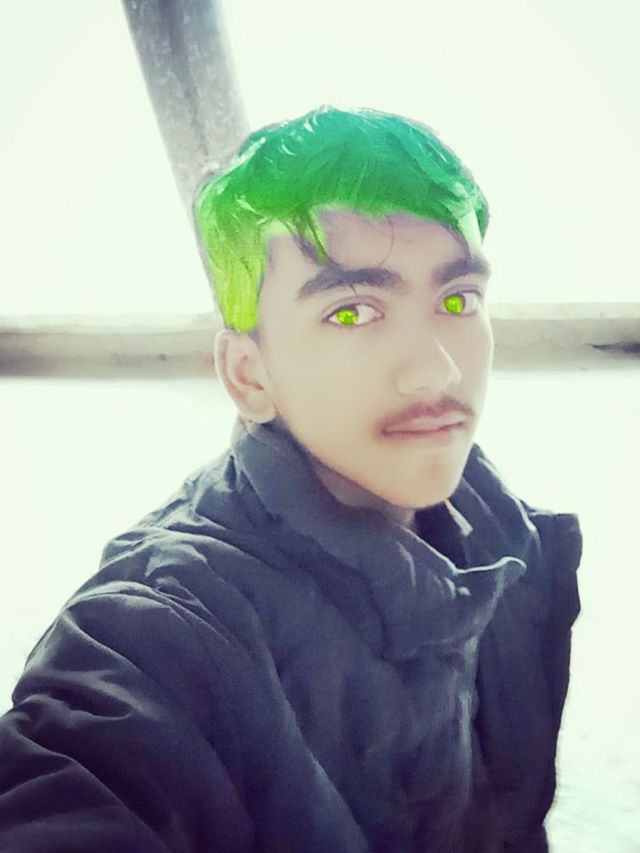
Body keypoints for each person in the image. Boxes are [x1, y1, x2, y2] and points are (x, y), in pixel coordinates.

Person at [0, 105, 582, 852]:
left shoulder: (505, 536)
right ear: (250, 374)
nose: (438, 370)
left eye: (456, 301)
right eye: (353, 313)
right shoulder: (164, 627)